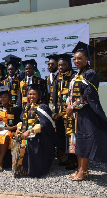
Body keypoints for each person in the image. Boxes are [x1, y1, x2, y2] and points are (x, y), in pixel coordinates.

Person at [66, 41, 107, 181]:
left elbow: (87, 96)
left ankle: (83, 171)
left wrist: (73, 107)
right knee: (77, 142)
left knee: (85, 141)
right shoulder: (76, 74)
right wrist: (68, 103)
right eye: (75, 58)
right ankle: (80, 169)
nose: (76, 61)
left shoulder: (90, 74)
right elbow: (71, 93)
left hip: (86, 114)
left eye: (79, 58)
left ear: (87, 59)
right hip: (76, 115)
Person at [12, 84, 55, 177]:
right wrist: (18, 129)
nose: (31, 96)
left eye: (34, 94)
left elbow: (43, 125)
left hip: (39, 135)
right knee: (16, 141)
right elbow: (22, 121)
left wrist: (30, 131)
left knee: (31, 143)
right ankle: (21, 170)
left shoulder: (42, 107)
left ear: (39, 95)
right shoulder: (27, 106)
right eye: (30, 94)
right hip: (26, 132)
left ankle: (34, 171)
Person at [52, 54, 77, 169]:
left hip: (70, 113)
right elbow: (54, 97)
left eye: (63, 65)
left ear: (68, 65)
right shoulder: (58, 77)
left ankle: (73, 160)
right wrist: (54, 112)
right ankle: (65, 158)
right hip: (60, 113)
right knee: (61, 136)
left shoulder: (73, 76)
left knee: (71, 136)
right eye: (59, 65)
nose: (60, 67)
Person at [0, 86, 21, 171]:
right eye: (1, 97)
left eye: (5, 97)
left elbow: (20, 123)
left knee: (6, 137)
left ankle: (0, 160)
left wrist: (11, 128)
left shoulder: (15, 108)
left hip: (9, 130)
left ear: (9, 98)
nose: (3, 99)